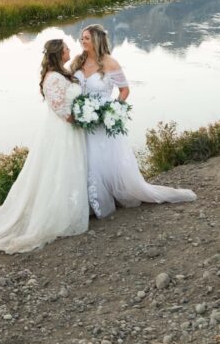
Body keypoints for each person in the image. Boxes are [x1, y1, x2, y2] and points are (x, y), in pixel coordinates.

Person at [0, 39, 88, 253]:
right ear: (58, 53)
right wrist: (81, 118)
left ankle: (69, 209)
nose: (69, 50)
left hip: (68, 132)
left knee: (65, 170)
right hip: (62, 131)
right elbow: (60, 109)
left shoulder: (62, 73)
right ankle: (53, 216)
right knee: (56, 170)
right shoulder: (53, 78)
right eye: (66, 48)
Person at [71, 24, 196, 218]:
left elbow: (124, 90)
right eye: (82, 38)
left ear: (96, 40)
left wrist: (111, 110)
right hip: (84, 122)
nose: (82, 41)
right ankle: (89, 201)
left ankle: (108, 197)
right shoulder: (77, 62)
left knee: (102, 159)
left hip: (103, 121)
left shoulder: (111, 63)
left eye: (86, 38)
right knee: (87, 160)